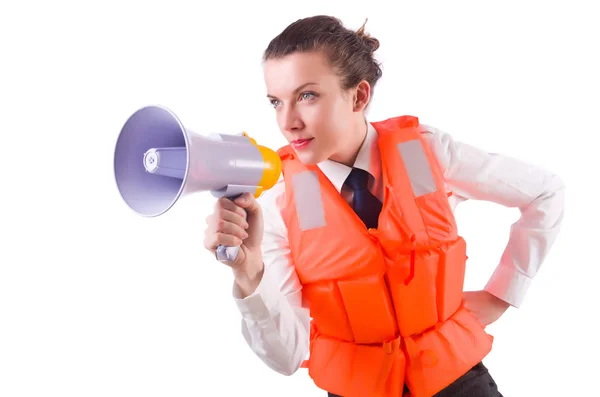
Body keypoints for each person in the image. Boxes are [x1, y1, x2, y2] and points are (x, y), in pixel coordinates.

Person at [203, 15, 565, 397]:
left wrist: (503, 294)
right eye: (276, 102)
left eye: (307, 96)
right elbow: (287, 356)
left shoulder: (422, 153)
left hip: (458, 380)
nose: (288, 122)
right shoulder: (280, 201)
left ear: (359, 96)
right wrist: (248, 271)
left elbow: (546, 192)